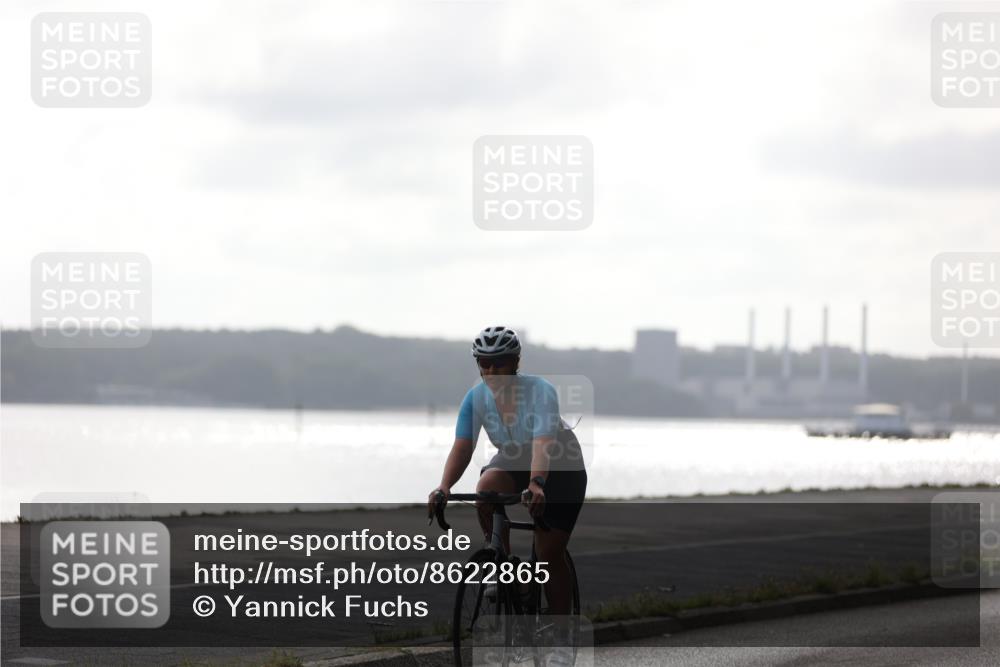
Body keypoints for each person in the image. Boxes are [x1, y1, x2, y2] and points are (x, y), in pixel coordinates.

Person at [428, 326, 587, 662]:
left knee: (548, 555)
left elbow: (544, 443)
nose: (491, 372)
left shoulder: (540, 391)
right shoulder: (476, 397)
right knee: (486, 488)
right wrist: (444, 486)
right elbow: (463, 446)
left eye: (498, 364)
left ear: (515, 362)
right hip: (515, 458)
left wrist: (537, 483)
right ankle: (501, 565)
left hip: (560, 466)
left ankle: (560, 639)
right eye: (484, 364)